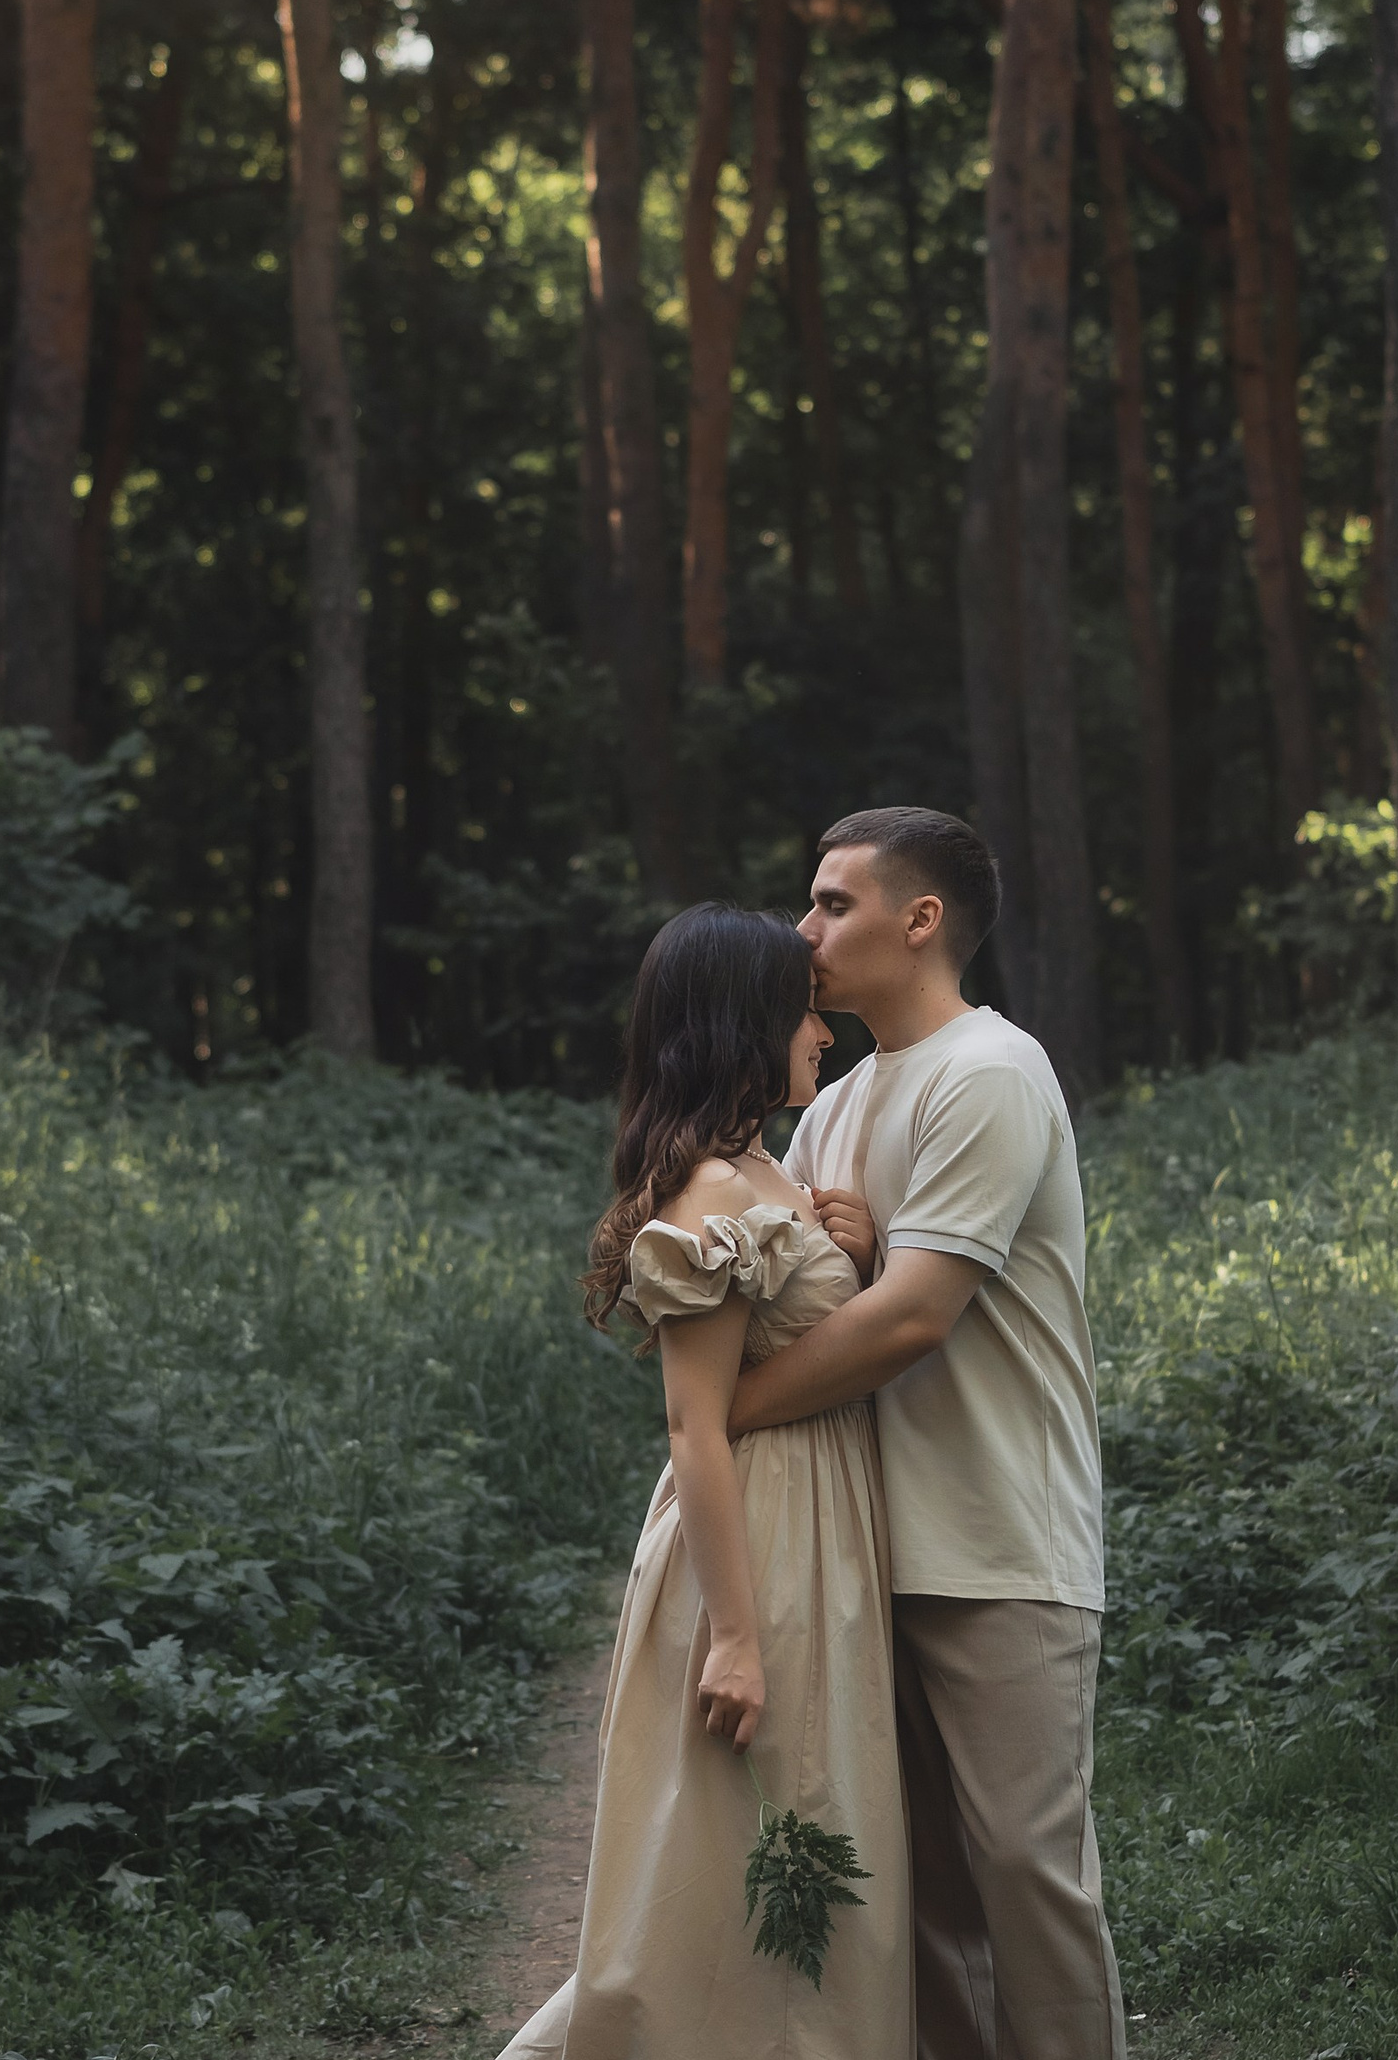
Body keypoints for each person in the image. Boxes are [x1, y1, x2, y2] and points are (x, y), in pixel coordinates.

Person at [728, 808, 1124, 2060]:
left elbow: (909, 1320)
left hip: (997, 1536)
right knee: (920, 1896)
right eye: (807, 903)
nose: (803, 932)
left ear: (922, 920)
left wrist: (714, 1414)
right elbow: (806, 1299)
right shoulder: (832, 1105)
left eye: (833, 905)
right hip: (852, 1543)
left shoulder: (992, 1072)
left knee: (1025, 1871)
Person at [502, 901, 912, 2060]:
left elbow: (805, 1343)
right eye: (801, 1010)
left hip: (820, 1527)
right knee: (724, 1858)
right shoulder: (708, 1202)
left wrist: (856, 1249)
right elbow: (694, 1428)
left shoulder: (764, 1171)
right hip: (756, 1541)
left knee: (811, 1835)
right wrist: (734, 1633)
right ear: (744, 1023)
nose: (822, 1032)